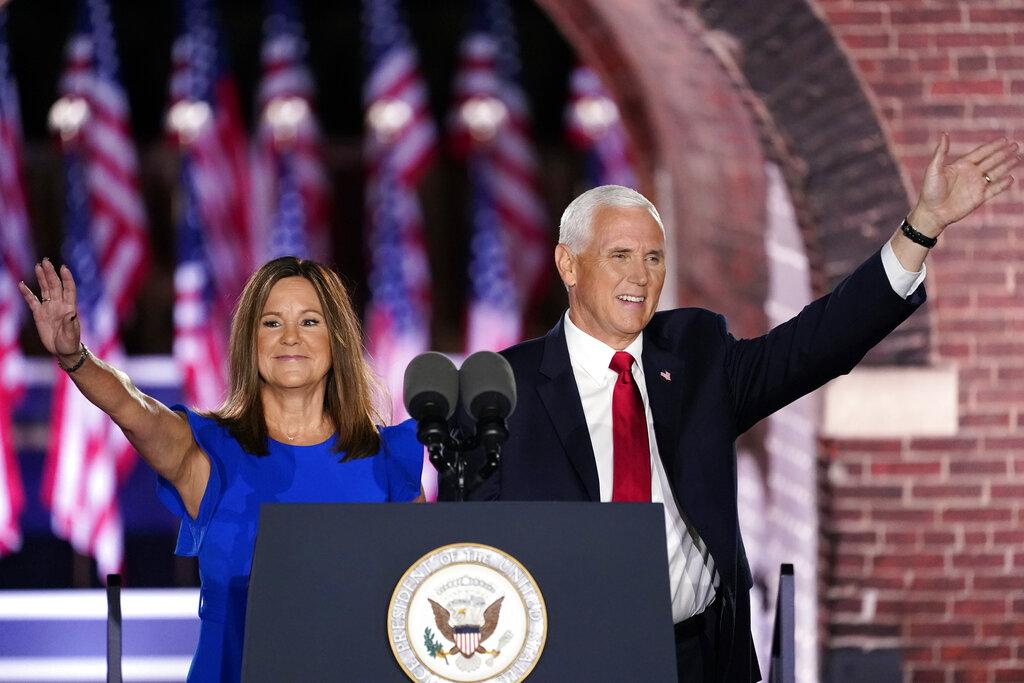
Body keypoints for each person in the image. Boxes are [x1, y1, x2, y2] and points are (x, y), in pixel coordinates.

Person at [465, 134, 1019, 682]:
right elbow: (472, 556)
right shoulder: (502, 389)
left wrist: (920, 228)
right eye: (620, 256)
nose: (640, 276)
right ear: (568, 265)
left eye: (654, 257)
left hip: (698, 657)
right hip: (565, 662)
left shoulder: (697, 356)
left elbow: (815, 344)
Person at [18, 256, 425, 683]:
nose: (290, 337)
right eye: (271, 323)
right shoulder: (212, 452)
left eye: (309, 322)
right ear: (251, 342)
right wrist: (76, 357)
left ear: (337, 338)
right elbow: (134, 409)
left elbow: (420, 596)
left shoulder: (388, 460)